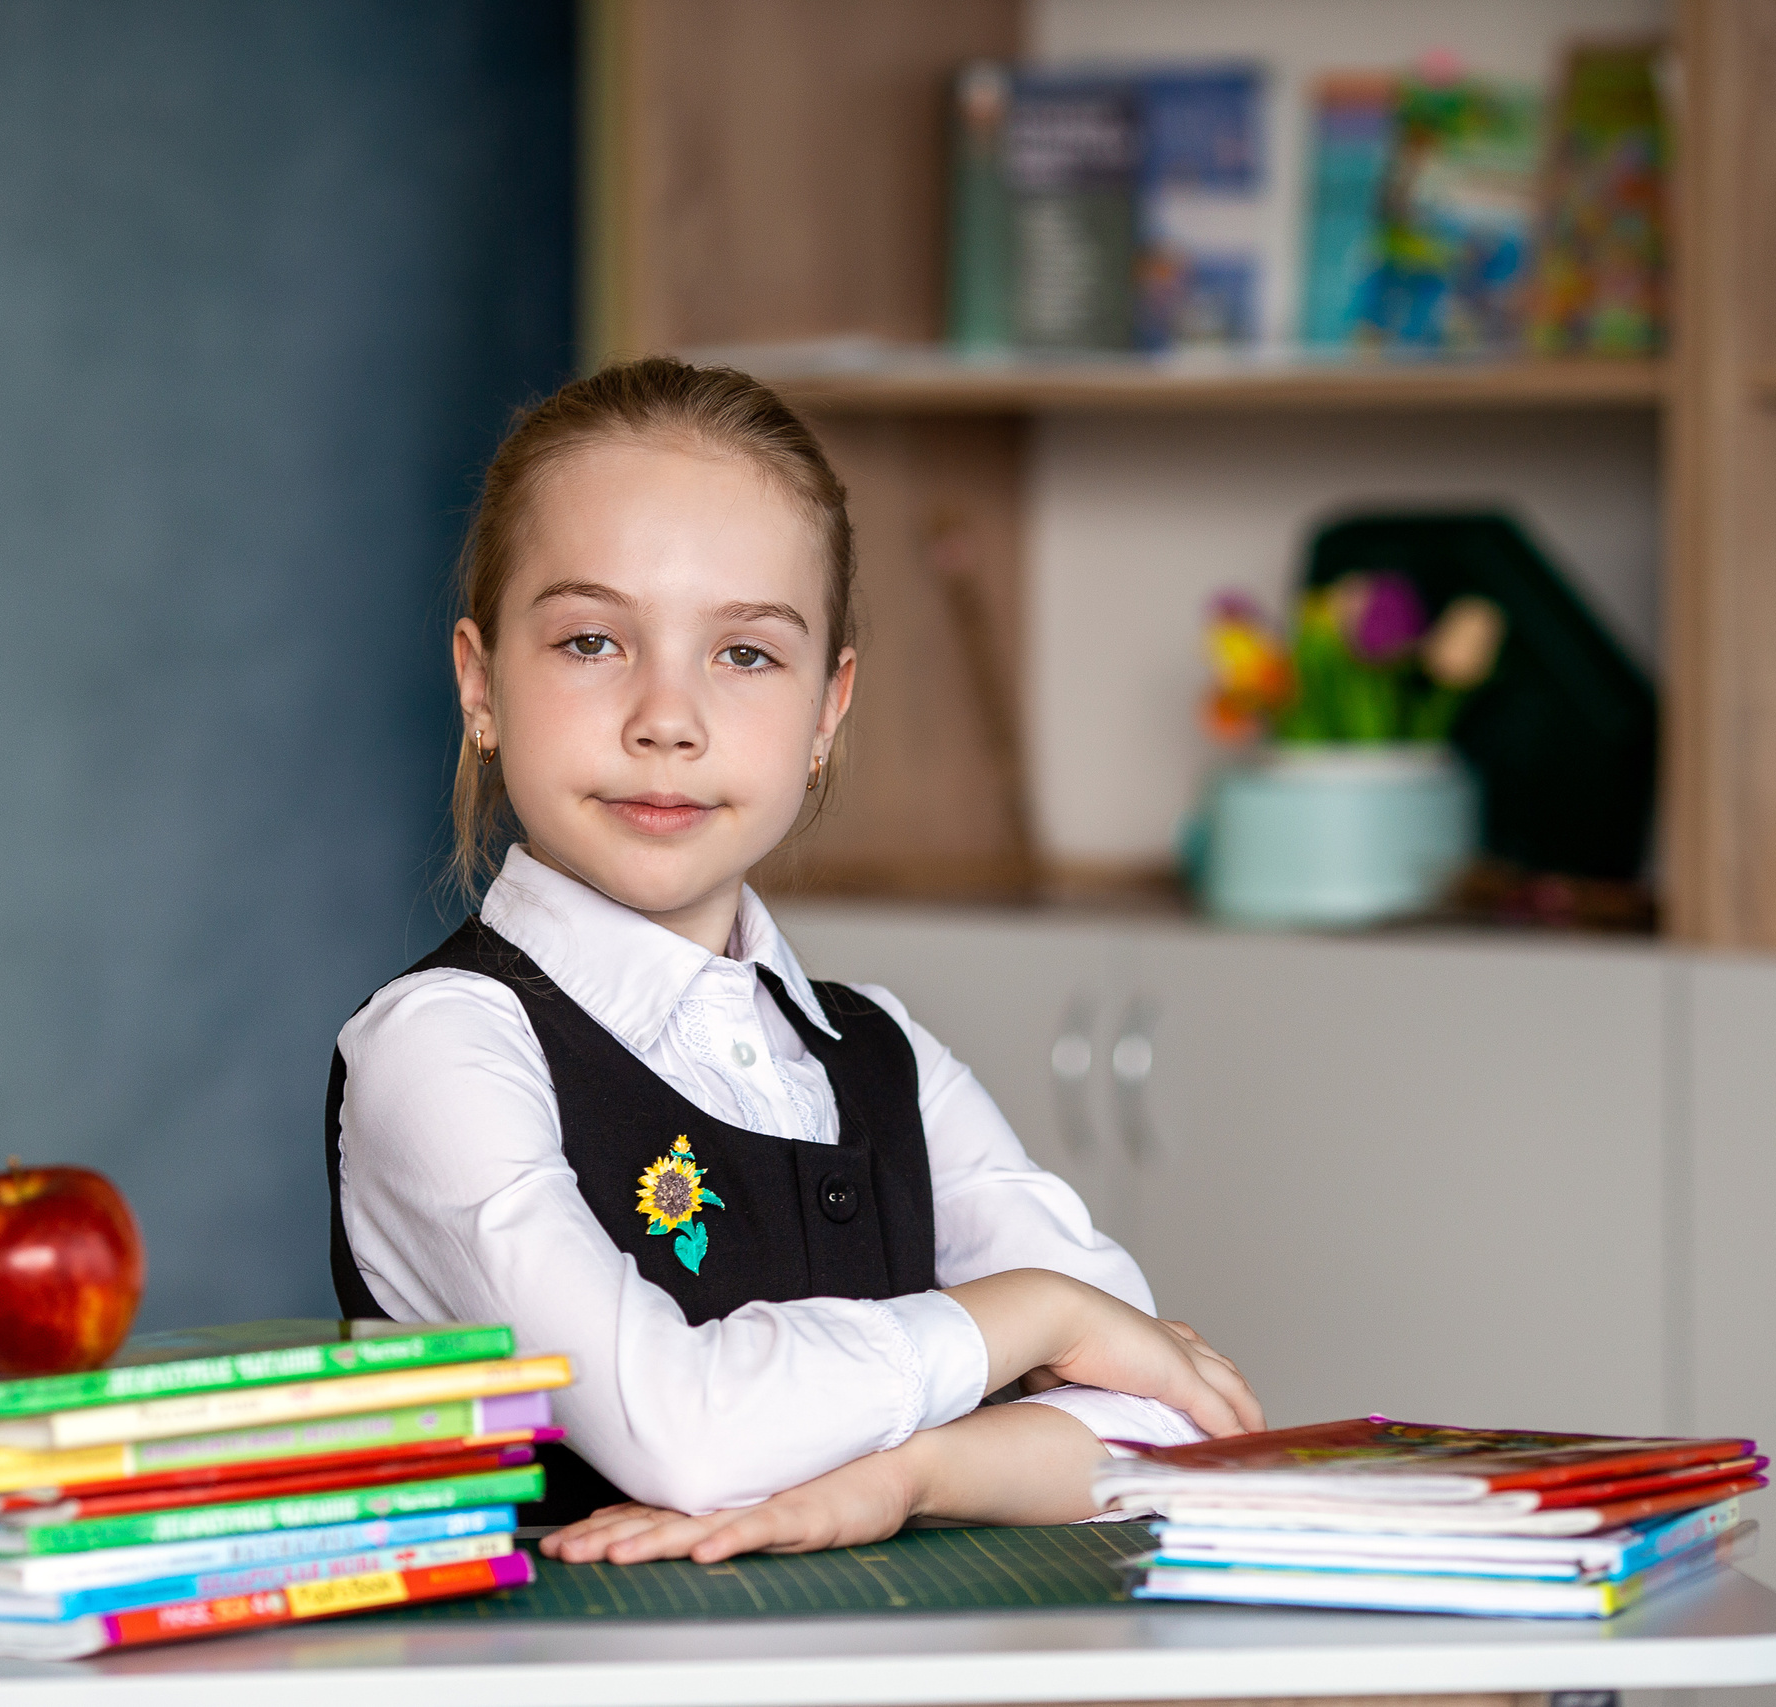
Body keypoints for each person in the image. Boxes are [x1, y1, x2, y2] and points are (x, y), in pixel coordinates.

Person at [325, 356, 1263, 1567]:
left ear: (828, 708)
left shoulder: (879, 1052)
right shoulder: (441, 1045)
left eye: (746, 654)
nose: (667, 720)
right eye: (592, 641)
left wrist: (909, 1477)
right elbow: (679, 1432)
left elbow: (1171, 1422)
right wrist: (1035, 1314)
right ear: (480, 682)